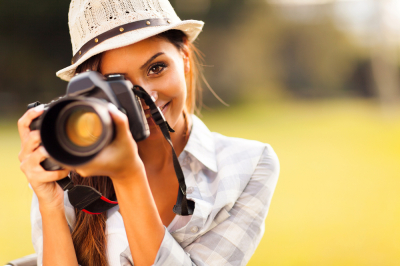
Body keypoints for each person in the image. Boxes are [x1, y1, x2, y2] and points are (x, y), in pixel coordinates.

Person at [17, 0, 280, 265]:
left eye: (156, 68)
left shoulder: (249, 165)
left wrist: (128, 175)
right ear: (92, 91)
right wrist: (50, 205)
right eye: (118, 83)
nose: (146, 99)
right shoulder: (70, 160)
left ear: (185, 59)